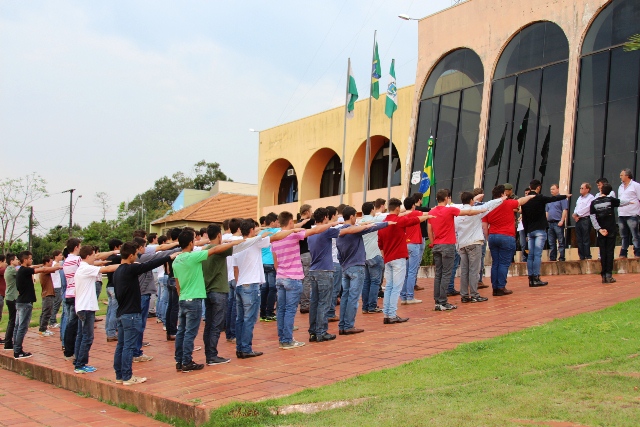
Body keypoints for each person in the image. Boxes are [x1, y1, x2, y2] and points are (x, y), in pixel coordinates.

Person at [173, 230, 245, 372]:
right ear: (190, 243)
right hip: (194, 299)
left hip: (183, 299)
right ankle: (187, 361)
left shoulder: (177, 260)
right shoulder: (193, 257)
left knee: (181, 331)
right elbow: (215, 249)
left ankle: (180, 360)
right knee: (190, 333)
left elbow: (177, 285)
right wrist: (235, 242)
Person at [232, 220, 302, 358]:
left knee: (240, 319)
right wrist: (292, 231)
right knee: (249, 319)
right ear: (252, 230)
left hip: (240, 285)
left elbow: (235, 269)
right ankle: (246, 348)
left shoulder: (237, 246)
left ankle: (240, 347)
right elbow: (276, 237)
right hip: (251, 286)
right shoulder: (255, 242)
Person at [113, 242, 176, 385]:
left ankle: (119, 375)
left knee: (121, 346)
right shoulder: (130, 269)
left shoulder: (118, 271)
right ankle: (128, 377)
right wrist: (169, 257)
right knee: (128, 346)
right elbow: (150, 264)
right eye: (136, 255)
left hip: (122, 313)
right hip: (131, 314)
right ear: (130, 256)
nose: (137, 258)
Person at [428, 189, 486, 311]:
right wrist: (482, 210)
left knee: (438, 273)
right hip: (447, 245)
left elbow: (429, 228)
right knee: (446, 274)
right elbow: (467, 212)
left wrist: (433, 242)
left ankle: (438, 301)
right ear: (446, 199)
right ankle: (443, 302)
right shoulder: (450, 210)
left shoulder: (432, 211)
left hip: (437, 245)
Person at [336, 206, 389, 334]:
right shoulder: (354, 230)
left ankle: (343, 325)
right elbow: (371, 227)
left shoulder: (339, 232)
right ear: (352, 216)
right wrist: (386, 223)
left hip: (346, 268)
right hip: (356, 267)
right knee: (353, 298)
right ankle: (348, 325)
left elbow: (339, 254)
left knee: (345, 297)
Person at [378, 198, 430, 324]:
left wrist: (385, 258)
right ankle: (392, 314)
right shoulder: (398, 221)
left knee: (390, 286)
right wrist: (429, 216)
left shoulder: (383, 224)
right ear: (397, 208)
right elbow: (414, 220)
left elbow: (381, 246)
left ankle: (387, 314)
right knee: (396, 287)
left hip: (388, 259)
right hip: (398, 258)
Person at [133, 236, 181, 362]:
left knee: (139, 323)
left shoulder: (137, 258)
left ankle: (136, 350)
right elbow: (159, 256)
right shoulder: (141, 258)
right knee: (139, 324)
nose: (145, 249)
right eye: (144, 247)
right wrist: (178, 250)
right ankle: (136, 352)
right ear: (139, 248)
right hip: (143, 294)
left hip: (142, 293)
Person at [73, 246, 120, 374]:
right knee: (87, 337)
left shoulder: (82, 267)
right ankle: (80, 364)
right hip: (86, 308)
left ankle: (77, 362)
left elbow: (101, 264)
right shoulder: (86, 268)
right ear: (88, 256)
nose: (95, 258)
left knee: (81, 336)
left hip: (82, 307)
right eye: (94, 255)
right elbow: (107, 269)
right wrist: (124, 265)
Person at [452, 191, 504, 303]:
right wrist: (502, 199)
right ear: (471, 201)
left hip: (462, 244)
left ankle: (464, 295)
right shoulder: (476, 211)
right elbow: (489, 205)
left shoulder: (457, 213)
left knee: (464, 270)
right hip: (474, 243)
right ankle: (475, 294)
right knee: (474, 270)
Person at [482, 186, 535, 296]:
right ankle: (501, 286)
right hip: (506, 236)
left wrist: (488, 237)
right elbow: (520, 201)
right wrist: (530, 196)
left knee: (495, 263)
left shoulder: (488, 206)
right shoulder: (508, 203)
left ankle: (495, 287)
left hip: (493, 236)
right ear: (502, 194)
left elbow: (484, 225)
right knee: (504, 263)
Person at [521, 180, 570, 287]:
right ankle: (536, 277)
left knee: (530, 255)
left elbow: (524, 219)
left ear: (530, 187)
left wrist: (525, 233)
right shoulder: (539, 198)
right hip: (539, 230)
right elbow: (553, 198)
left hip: (529, 230)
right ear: (538, 187)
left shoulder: (525, 201)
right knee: (537, 254)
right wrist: (565, 196)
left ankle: (531, 278)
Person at [14, 251, 62, 359]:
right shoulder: (25, 270)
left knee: (18, 327)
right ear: (25, 260)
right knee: (22, 327)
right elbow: (43, 269)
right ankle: (18, 351)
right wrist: (59, 267)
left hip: (21, 302)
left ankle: (16, 349)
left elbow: (36, 266)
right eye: (30, 258)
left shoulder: (21, 270)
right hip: (25, 303)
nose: (31, 260)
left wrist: (42, 265)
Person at [590, 183, 633, 283]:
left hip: (601, 231)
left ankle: (603, 275)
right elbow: (622, 202)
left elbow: (592, 217)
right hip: (611, 230)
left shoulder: (594, 202)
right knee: (609, 252)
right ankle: (608, 275)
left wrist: (599, 229)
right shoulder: (610, 200)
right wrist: (631, 202)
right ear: (609, 192)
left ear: (601, 190)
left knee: (603, 252)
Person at [358, 202, 386, 313]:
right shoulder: (375, 221)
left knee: (366, 282)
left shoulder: (359, 222)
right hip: (374, 254)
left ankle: (365, 306)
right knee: (375, 282)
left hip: (363, 256)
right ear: (372, 210)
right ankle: (372, 306)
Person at [400, 197, 426, 304]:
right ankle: (410, 296)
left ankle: (403, 296)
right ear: (413, 206)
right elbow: (426, 213)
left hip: (406, 244)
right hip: (414, 244)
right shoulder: (415, 213)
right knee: (412, 271)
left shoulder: (403, 215)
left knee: (406, 272)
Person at [259, 212, 279, 321]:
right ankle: (270, 312)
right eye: (277, 221)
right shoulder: (275, 231)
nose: (278, 223)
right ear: (272, 222)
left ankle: (263, 313)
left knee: (264, 288)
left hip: (262, 263)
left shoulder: (261, 233)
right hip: (271, 263)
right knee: (272, 288)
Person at [617, 169, 640, 258]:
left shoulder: (636, 185)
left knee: (635, 234)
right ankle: (623, 252)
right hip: (622, 214)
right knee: (623, 235)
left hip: (632, 213)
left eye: (621, 175)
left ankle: (637, 251)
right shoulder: (620, 187)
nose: (620, 177)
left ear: (627, 176)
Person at [325, 206, 343, 323]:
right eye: (336, 214)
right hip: (335, 261)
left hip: (326, 263)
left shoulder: (321, 228)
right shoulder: (335, 227)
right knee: (334, 289)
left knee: (328, 290)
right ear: (332, 216)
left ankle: (327, 312)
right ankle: (330, 313)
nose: (337, 216)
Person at [296, 204, 315, 314]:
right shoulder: (310, 222)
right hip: (307, 252)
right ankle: (305, 304)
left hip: (299, 253)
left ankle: (302, 301)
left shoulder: (297, 223)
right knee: (307, 280)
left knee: (302, 279)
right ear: (307, 212)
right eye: (310, 211)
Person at [164, 228, 182, 341]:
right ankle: (173, 331)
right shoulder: (179, 249)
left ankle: (169, 330)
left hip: (170, 277)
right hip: (175, 279)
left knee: (170, 306)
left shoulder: (169, 248)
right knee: (174, 306)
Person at [105, 239, 122, 342]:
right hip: (114, 286)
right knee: (114, 310)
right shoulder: (116, 258)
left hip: (109, 286)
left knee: (110, 309)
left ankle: (109, 330)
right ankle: (111, 332)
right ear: (116, 247)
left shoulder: (108, 258)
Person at [545, 184, 569, 262]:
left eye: (553, 189)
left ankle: (561, 257)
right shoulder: (550, 200)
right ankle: (552, 257)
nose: (551, 191)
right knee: (551, 242)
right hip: (550, 223)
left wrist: (562, 220)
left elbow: (564, 210)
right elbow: (547, 211)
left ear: (558, 189)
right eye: (551, 189)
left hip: (558, 222)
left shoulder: (562, 199)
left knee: (561, 241)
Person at [572, 183, 596, 260]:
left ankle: (587, 256)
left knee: (586, 238)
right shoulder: (579, 198)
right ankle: (581, 256)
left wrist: (578, 214)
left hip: (585, 219)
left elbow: (588, 208)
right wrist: (575, 215)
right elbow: (576, 207)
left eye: (582, 188)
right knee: (579, 239)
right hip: (578, 220)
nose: (580, 189)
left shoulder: (591, 197)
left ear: (587, 189)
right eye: (580, 188)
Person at [2, 254, 19, 349]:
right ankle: (8, 343)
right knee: (13, 321)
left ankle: (8, 342)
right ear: (11, 261)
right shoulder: (12, 270)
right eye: (16, 259)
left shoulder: (9, 269)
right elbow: (23, 272)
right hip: (12, 298)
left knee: (12, 320)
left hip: (10, 297)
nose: (17, 260)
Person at [38, 256, 57, 337]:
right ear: (46, 262)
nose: (52, 264)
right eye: (50, 262)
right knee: (47, 313)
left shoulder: (45, 270)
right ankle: (43, 329)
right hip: (47, 294)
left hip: (48, 294)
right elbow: (53, 269)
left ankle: (42, 328)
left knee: (45, 312)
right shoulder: (44, 270)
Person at [49, 250, 64, 329]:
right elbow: (62, 264)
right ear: (56, 256)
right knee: (56, 304)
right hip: (56, 286)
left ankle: (52, 320)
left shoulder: (55, 263)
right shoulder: (55, 264)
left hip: (58, 286)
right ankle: (52, 321)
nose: (61, 256)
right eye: (60, 255)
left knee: (57, 303)